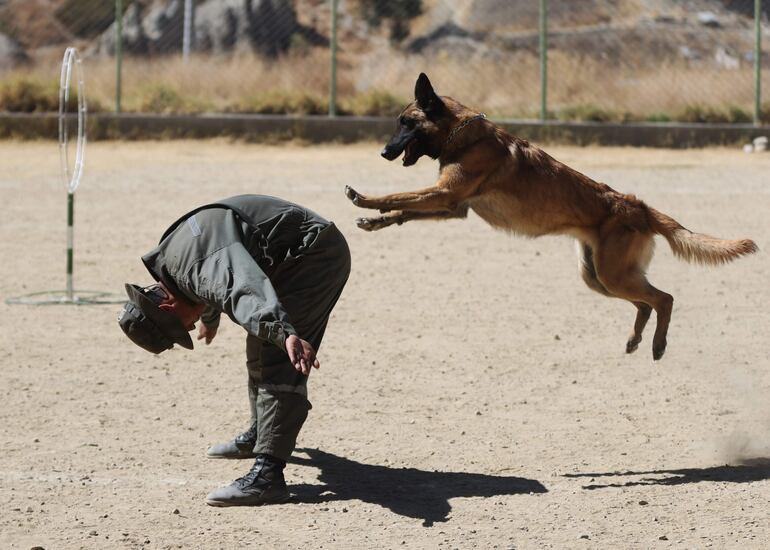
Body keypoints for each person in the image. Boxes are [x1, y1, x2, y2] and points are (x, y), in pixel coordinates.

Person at [118, 194, 350, 506]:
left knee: (278, 356)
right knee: (260, 338)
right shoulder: (174, 261)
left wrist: (284, 335)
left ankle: (268, 477)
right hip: (293, 253)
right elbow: (212, 280)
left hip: (313, 255)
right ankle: (260, 434)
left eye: (180, 327)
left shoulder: (202, 270)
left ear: (168, 304)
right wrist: (210, 318)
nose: (188, 329)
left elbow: (239, 287)